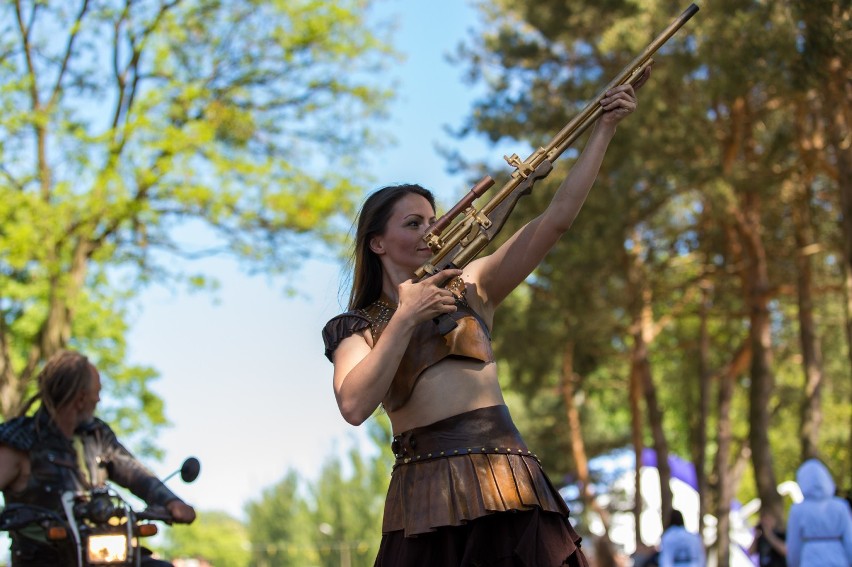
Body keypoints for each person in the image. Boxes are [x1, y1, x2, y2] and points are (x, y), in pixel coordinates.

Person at [322, 70, 648, 566]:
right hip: (424, 498)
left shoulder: (472, 286)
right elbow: (353, 404)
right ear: (378, 243)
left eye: (432, 219)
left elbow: (556, 220)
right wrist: (406, 317)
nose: (431, 231)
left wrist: (603, 129)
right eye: (414, 223)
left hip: (509, 482)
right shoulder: (356, 326)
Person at [0, 350, 196, 566]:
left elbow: (134, 472)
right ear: (81, 398)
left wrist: (170, 501)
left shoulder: (97, 436)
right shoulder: (21, 439)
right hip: (43, 557)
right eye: (97, 392)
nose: (99, 399)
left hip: (100, 551)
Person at [785, 458, 852, 567]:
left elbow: (794, 546)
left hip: (810, 561)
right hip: (838, 560)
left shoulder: (797, 510)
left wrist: (794, 564)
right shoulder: (840, 506)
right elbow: (850, 540)